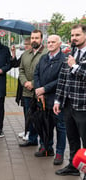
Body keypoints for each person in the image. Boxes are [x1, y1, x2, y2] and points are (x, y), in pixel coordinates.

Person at [53, 24, 86, 179]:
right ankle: (73, 166)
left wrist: (75, 66)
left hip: (83, 107)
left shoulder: (75, 59)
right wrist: (58, 100)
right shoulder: (71, 53)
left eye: (77, 35)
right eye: (72, 35)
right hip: (68, 105)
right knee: (72, 139)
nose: (74, 38)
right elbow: (62, 79)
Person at [34, 35, 66, 165]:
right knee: (44, 124)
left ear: (59, 44)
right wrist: (38, 90)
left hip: (57, 100)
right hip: (42, 99)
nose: (50, 44)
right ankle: (46, 147)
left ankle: (59, 153)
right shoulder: (43, 58)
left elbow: (61, 80)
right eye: (49, 42)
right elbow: (36, 74)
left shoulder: (63, 60)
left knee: (60, 127)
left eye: (53, 42)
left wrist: (44, 89)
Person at [19, 29, 48, 147]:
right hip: (27, 92)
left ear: (41, 39)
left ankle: (44, 143)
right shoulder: (26, 54)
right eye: (32, 38)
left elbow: (46, 73)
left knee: (41, 118)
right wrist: (25, 82)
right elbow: (21, 70)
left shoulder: (46, 53)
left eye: (36, 38)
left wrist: (33, 83)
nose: (34, 40)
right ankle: (32, 139)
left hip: (40, 92)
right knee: (29, 117)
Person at [11, 37, 31, 141]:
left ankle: (30, 132)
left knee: (30, 111)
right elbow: (15, 64)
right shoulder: (24, 55)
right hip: (22, 85)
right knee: (25, 109)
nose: (26, 46)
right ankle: (27, 129)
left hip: (31, 87)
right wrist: (13, 53)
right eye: (25, 44)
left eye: (28, 44)